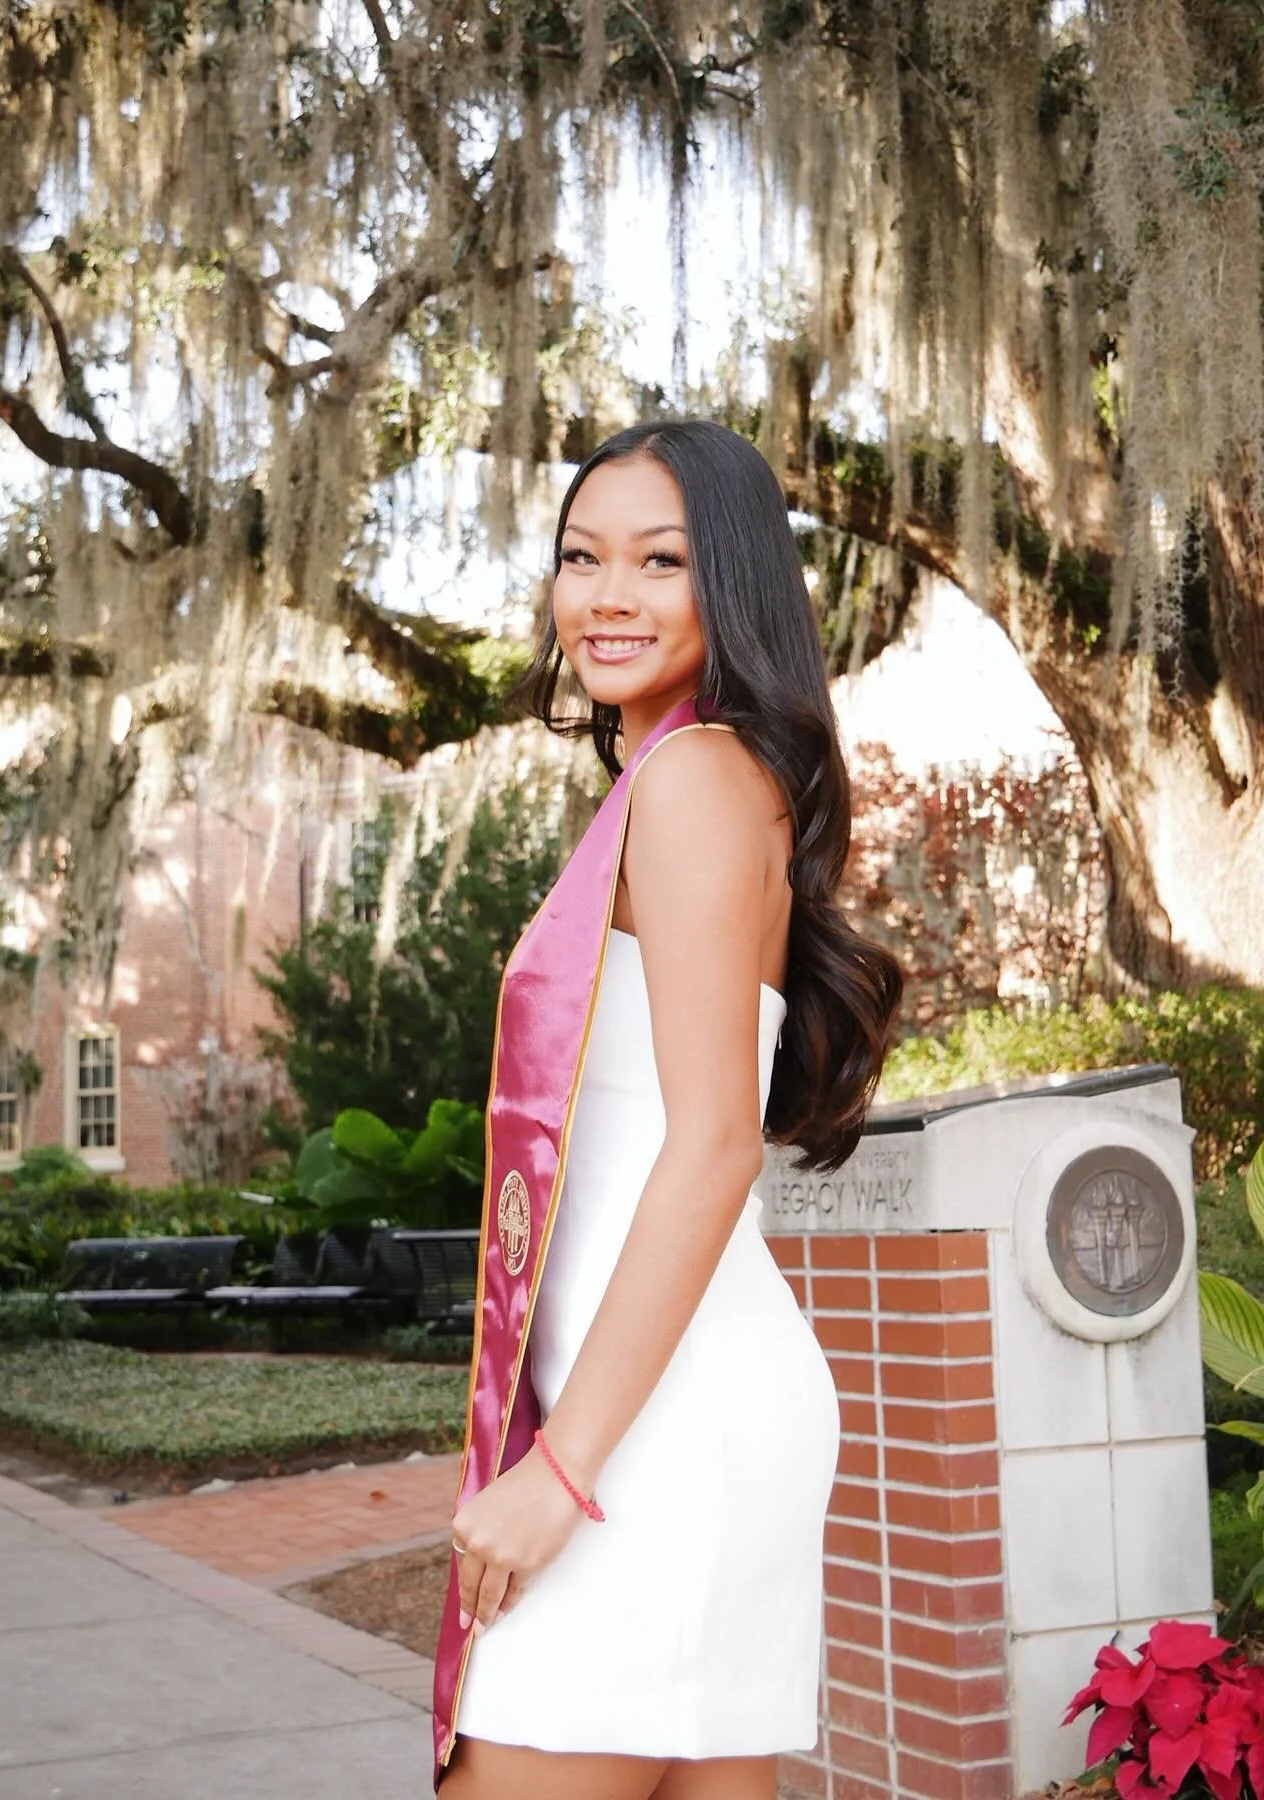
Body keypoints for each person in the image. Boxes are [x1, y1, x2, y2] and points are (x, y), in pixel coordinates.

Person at [432, 419, 903, 1800]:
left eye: (660, 560)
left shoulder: (697, 783)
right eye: (582, 557)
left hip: (655, 1437)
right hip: (674, 1406)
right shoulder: (687, 783)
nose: (607, 595)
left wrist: (558, 1470)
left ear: (734, 585)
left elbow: (710, 1145)